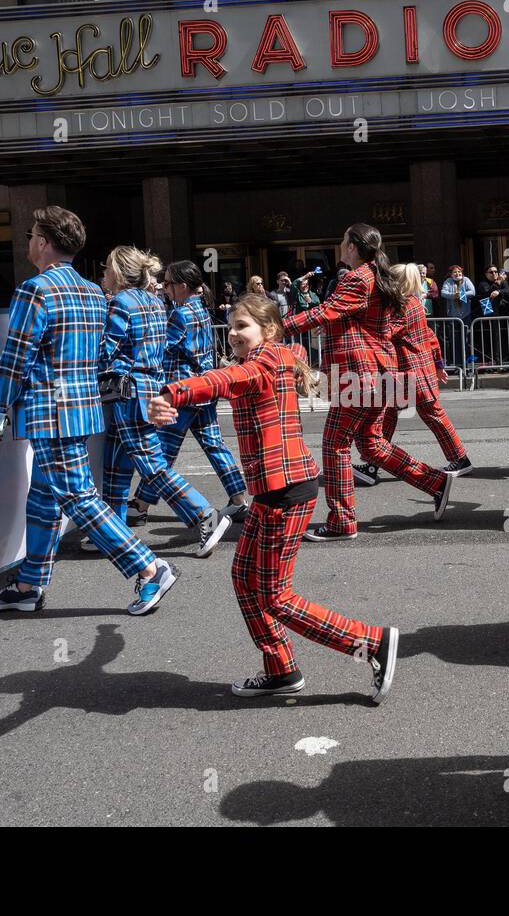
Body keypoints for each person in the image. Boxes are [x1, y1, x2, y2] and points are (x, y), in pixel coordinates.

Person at [148, 294, 399, 703]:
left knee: (275, 595)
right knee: (244, 577)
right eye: (231, 326)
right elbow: (237, 372)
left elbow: (223, 381)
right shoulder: (275, 355)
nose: (233, 334)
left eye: (242, 326)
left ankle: (372, 643)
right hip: (273, 491)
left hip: (287, 492)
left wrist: (172, 393)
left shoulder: (264, 362)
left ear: (268, 330)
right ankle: (281, 669)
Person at [0, 206, 177, 616]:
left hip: (51, 410)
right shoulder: (92, 292)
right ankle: (29, 584)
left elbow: (16, 357)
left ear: (43, 242)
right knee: (45, 497)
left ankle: (150, 567)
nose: (29, 242)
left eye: (31, 235)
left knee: (76, 496)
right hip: (81, 409)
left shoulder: (36, 290)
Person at [283, 223, 455, 541]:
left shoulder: (358, 277)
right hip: (376, 371)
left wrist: (276, 328)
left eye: (343, 239)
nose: (340, 243)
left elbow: (327, 311)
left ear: (352, 246)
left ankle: (342, 521)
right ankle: (435, 482)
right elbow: (347, 317)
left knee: (335, 444)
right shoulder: (376, 274)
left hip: (359, 373)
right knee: (371, 443)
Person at [93, 246, 232, 560]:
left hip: (127, 391)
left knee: (149, 465)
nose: (104, 274)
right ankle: (113, 533)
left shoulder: (120, 302)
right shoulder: (154, 302)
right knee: (117, 463)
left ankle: (205, 514)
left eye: (107, 268)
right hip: (147, 390)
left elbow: (106, 351)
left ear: (118, 272)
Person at [132, 260, 251, 522]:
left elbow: (162, 348)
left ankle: (140, 504)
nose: (165, 288)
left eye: (169, 284)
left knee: (163, 449)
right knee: (215, 445)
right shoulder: (201, 310)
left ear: (183, 286)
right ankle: (239, 499)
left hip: (183, 391)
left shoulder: (181, 314)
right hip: (204, 389)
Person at [356, 263, 472, 485]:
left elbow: (383, 332)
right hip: (415, 370)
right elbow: (429, 336)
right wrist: (438, 363)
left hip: (411, 371)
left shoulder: (402, 306)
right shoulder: (414, 303)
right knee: (392, 415)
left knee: (422, 415)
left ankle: (460, 459)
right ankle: (372, 465)